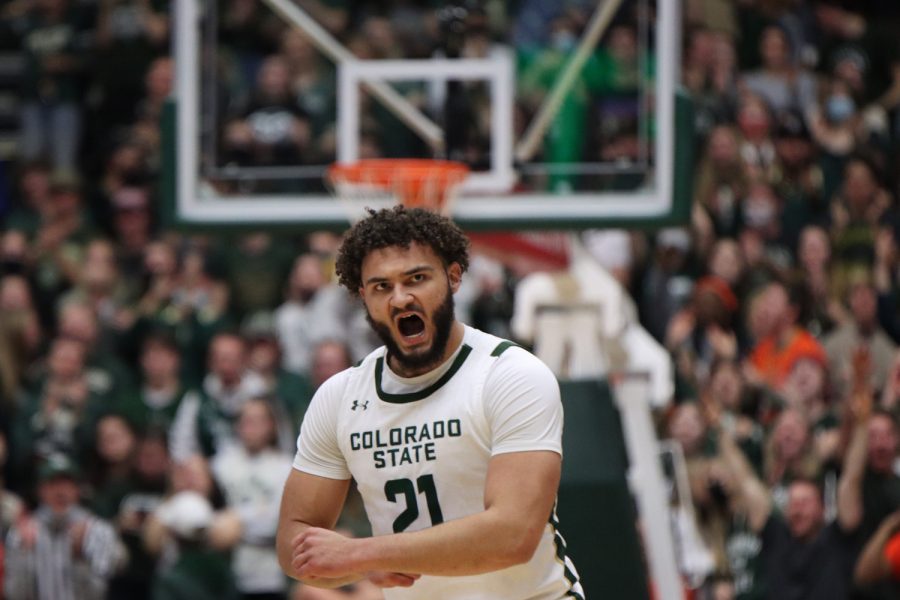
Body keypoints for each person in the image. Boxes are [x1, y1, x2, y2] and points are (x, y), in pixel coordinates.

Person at [276, 206, 583, 598]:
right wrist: (353, 564)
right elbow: (293, 543)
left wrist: (364, 554)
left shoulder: (511, 374)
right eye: (381, 286)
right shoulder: (340, 396)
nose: (401, 298)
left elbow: (513, 535)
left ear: (453, 277)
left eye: (416, 279)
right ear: (363, 297)